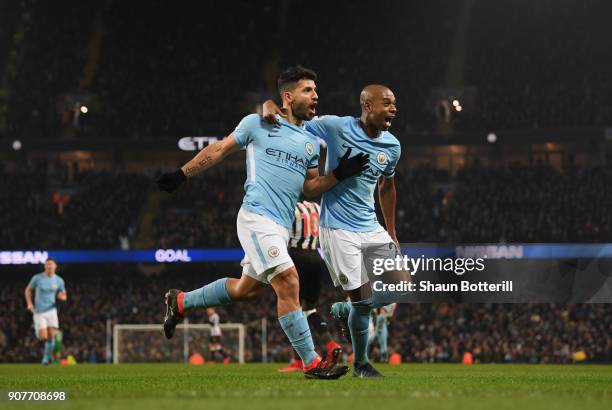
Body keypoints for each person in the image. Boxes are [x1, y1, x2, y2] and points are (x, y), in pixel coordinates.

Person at [156, 65, 368, 379]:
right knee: (289, 281)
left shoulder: (309, 142)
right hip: (257, 217)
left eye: (316, 91)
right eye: (308, 90)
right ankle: (311, 363)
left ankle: (180, 301)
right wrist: (182, 174)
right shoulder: (257, 123)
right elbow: (219, 150)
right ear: (288, 96)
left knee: (247, 290)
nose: (316, 96)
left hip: (280, 228)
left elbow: (309, 188)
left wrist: (338, 175)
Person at [262, 84, 401, 377]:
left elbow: (387, 186)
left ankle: (345, 311)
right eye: (386, 103)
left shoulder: (392, 146)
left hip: (370, 225)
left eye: (394, 104)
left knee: (397, 288)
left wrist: (391, 231)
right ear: (367, 106)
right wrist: (270, 108)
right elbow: (297, 122)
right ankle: (362, 364)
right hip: (338, 229)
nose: (393, 109)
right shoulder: (336, 127)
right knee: (363, 301)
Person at [278, 200, 342, 373]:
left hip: (298, 257)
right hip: (316, 257)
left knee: (293, 308)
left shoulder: (290, 205)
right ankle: (330, 343)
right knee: (310, 310)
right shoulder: (317, 207)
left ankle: (298, 361)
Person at [24, 258, 67, 366]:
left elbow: (64, 294)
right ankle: (36, 328)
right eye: (47, 264)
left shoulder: (59, 280)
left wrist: (62, 296)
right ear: (45, 267)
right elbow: (28, 290)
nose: (49, 266)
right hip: (39, 311)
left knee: (51, 336)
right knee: (43, 337)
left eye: (51, 264)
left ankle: (46, 359)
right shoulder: (37, 278)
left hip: (51, 310)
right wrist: (29, 303)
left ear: (55, 266)